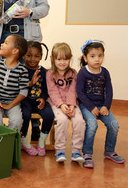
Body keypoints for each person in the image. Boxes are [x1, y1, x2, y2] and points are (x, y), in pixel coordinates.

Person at [77, 40, 125, 168]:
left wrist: (105, 106)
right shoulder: (82, 72)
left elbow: (109, 90)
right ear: (85, 58)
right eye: (93, 56)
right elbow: (80, 93)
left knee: (114, 125)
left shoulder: (105, 72)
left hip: (102, 105)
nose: (97, 59)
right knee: (92, 125)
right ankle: (87, 153)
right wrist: (91, 107)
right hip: (86, 105)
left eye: (100, 55)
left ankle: (109, 151)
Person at [46, 42, 85, 163]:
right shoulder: (50, 74)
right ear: (53, 59)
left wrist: (71, 105)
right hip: (56, 104)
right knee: (62, 121)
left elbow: (73, 90)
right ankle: (60, 150)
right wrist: (62, 105)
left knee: (79, 121)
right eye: (59, 59)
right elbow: (52, 92)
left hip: (72, 103)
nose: (62, 62)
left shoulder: (73, 73)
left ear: (70, 59)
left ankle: (76, 151)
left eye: (65, 59)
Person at [0, 35, 28, 131]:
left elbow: (23, 92)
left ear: (15, 51)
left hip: (13, 103)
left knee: (17, 121)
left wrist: (11, 105)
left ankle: (9, 141)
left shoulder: (22, 70)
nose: (1, 44)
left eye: (6, 43)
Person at [20, 41, 54, 156]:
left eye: (36, 56)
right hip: (25, 101)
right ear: (23, 55)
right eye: (29, 55)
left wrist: (43, 99)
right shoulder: (20, 70)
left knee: (49, 115)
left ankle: (42, 141)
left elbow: (46, 89)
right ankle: (24, 140)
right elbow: (18, 88)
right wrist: (30, 83)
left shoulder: (44, 72)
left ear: (41, 56)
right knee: (25, 115)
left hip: (39, 101)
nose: (32, 59)